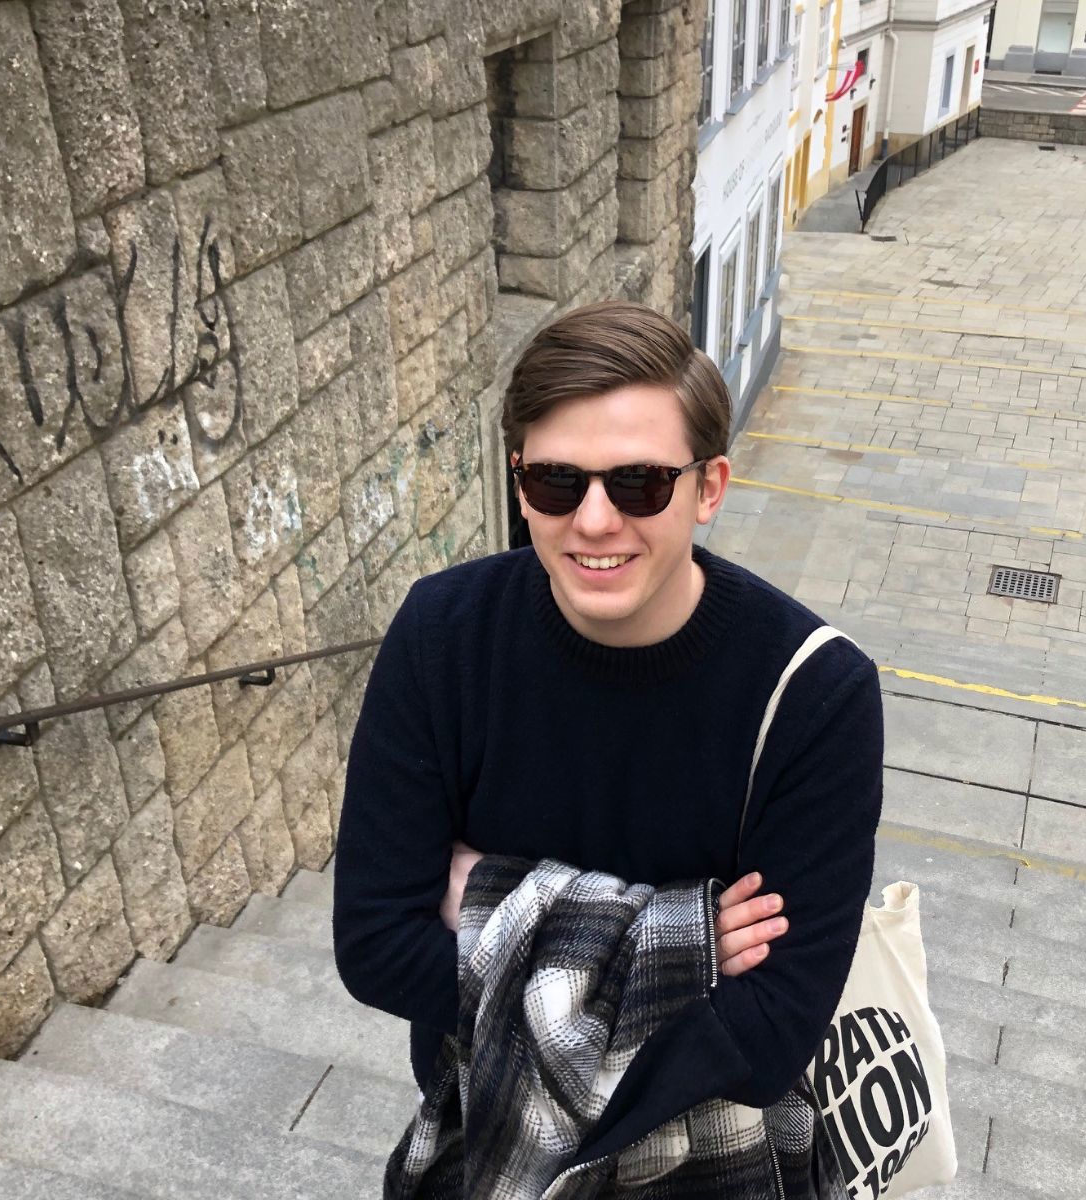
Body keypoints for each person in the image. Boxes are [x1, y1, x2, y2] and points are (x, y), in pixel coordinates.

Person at [335, 301, 886, 1187]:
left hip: (708, 1169)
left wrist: (491, 905)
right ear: (520, 486)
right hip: (483, 1145)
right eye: (557, 482)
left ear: (708, 488)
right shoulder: (442, 637)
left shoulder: (815, 694)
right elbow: (373, 944)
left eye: (639, 483)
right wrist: (678, 939)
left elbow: (771, 1034)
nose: (593, 520)